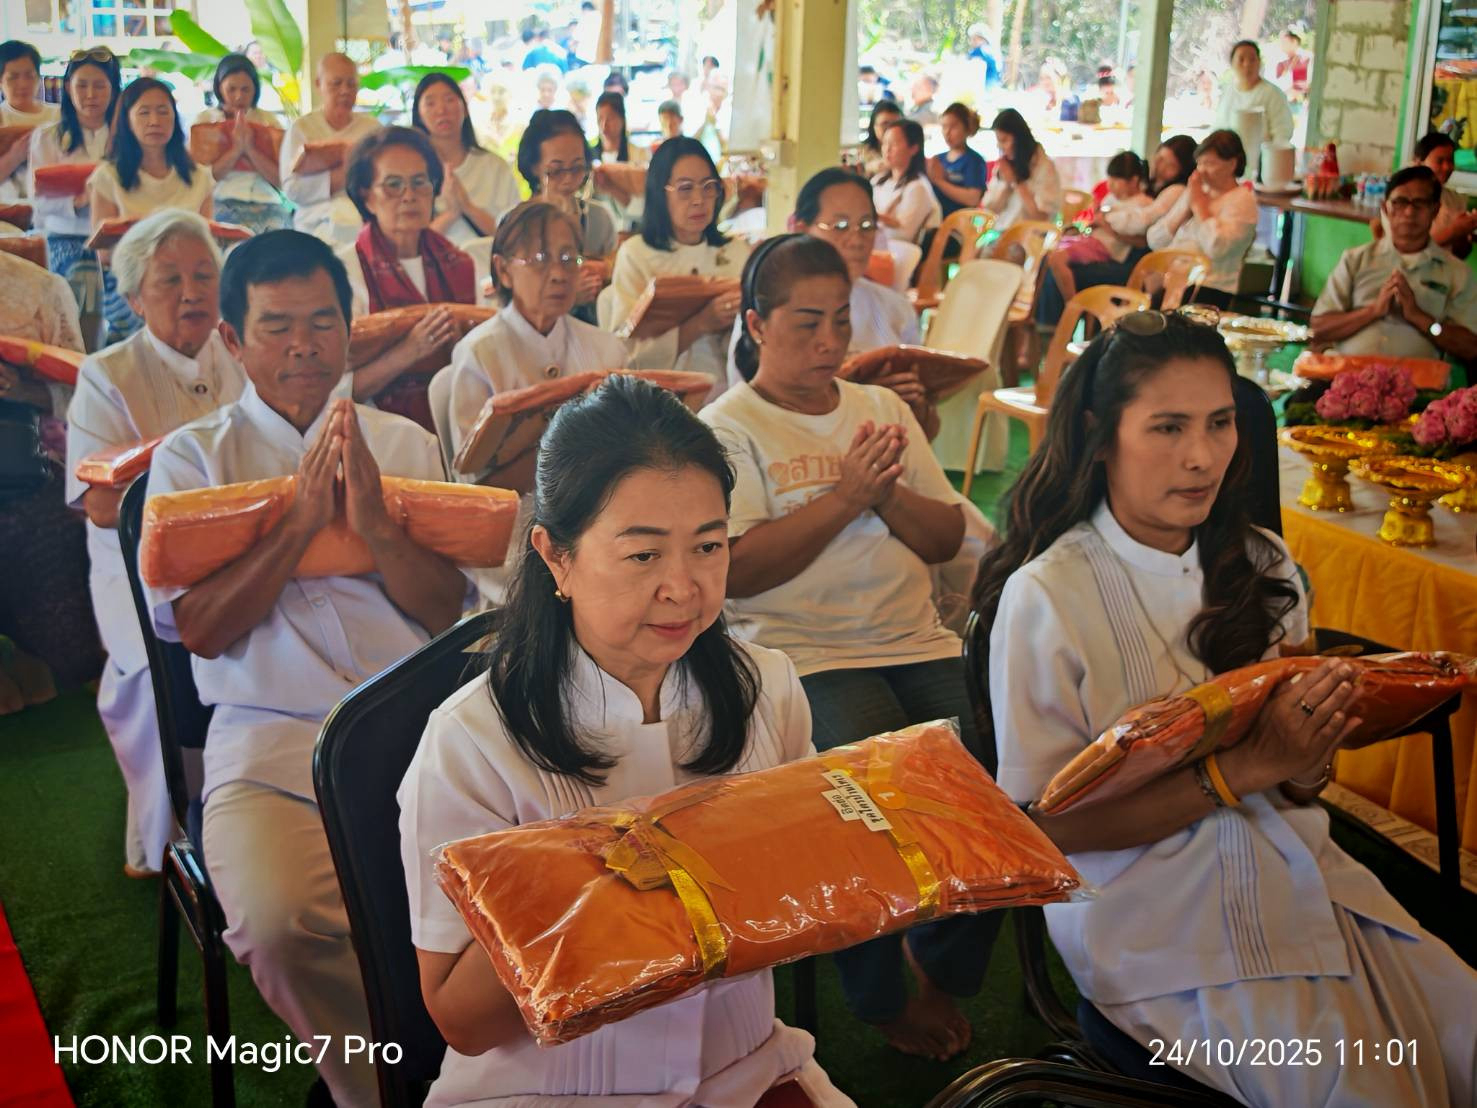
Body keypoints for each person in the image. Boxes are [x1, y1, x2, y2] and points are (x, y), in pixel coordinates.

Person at [976, 311, 1477, 1107]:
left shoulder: (1261, 562)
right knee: (1373, 1095)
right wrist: (1246, 767)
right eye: (1167, 427)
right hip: (1155, 930)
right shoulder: (1049, 596)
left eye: (1219, 424)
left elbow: (1300, 787)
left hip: (1303, 878)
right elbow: (1044, 830)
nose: (1201, 456)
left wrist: (1312, 742)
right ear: (1100, 435)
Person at [400, 375, 854, 1105]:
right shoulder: (471, 743)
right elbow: (461, 1020)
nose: (683, 586)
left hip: (741, 1064)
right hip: (553, 1087)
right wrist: (600, 880)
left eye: (708, 545)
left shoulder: (767, 689)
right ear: (556, 556)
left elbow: (797, 912)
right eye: (643, 556)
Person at [141, 230, 466, 1107]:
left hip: (414, 722)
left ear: (348, 329)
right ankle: (385, 1086)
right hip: (268, 731)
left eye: (322, 323)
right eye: (276, 326)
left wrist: (377, 524)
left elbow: (446, 611)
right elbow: (198, 632)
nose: (302, 346)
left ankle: (469, 1067)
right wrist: (295, 527)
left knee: (496, 897)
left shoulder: (402, 444)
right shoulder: (191, 462)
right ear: (235, 342)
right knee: (281, 924)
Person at [702, 234, 995, 1061]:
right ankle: (873, 995)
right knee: (872, 802)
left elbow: (942, 538)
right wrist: (844, 496)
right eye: (807, 324)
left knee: (998, 783)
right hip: (805, 653)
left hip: (911, 637)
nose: (830, 343)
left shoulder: (881, 411)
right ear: (756, 324)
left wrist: (882, 491)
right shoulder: (727, 429)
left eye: (840, 321)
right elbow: (740, 571)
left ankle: (942, 961)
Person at [64, 210, 245, 880]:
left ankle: (246, 807)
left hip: (245, 556)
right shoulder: (108, 374)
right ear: (136, 297)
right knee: (153, 671)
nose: (191, 291)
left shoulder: (244, 355)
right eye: (170, 280)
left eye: (204, 275)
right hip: (141, 572)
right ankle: (166, 828)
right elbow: (101, 502)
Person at [445, 200, 628, 605]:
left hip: (601, 523)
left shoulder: (606, 348)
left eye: (569, 258)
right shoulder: (480, 354)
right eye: (541, 258)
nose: (560, 272)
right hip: (516, 538)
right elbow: (477, 487)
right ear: (504, 269)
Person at [0, 246, 99, 714]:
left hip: (29, 463)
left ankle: (35, 654)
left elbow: (83, 394)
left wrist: (19, 388)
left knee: (53, 526)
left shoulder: (40, 287)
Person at [337, 126, 478, 431]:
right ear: (367, 196)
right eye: (393, 185)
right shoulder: (346, 271)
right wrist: (409, 351)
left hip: (459, 422)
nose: (409, 196)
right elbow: (339, 390)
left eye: (419, 183)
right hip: (376, 432)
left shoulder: (460, 263)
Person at [725, 168, 918, 386]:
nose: (856, 241)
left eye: (866, 225)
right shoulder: (770, 307)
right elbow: (749, 400)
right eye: (840, 226)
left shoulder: (896, 308)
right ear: (800, 229)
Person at [606, 136, 748, 387]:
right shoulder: (637, 254)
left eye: (708, 187)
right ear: (660, 194)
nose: (698, 199)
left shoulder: (736, 252)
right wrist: (701, 323)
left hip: (730, 389)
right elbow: (625, 355)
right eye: (685, 188)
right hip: (662, 396)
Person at [1312, 165, 1477, 362]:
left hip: (1418, 386)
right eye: (1399, 202)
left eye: (1420, 203)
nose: (1409, 212)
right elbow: (1319, 329)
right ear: (1385, 208)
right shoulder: (1355, 260)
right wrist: (1372, 311)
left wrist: (1420, 318)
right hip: (1345, 380)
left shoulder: (1457, 273)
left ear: (1435, 210)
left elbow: (1471, 347)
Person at [1037, 134, 1197, 325]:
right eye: (1159, 158)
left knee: (1059, 266)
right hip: (1117, 250)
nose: (1159, 166)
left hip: (1133, 260)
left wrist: (1106, 221)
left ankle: (1064, 321)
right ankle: (1053, 326)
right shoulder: (1141, 190)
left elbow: (1144, 228)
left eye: (1168, 164)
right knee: (1048, 261)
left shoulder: (1172, 192)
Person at [27, 47, 120, 289]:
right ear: (68, 88)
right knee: (82, 281)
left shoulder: (127, 137)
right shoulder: (47, 137)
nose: (90, 94)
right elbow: (36, 199)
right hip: (67, 235)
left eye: (100, 86)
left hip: (117, 236)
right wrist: (77, 202)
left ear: (113, 88)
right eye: (82, 86)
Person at [1146, 129, 1256, 310]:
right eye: (1200, 164)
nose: (1202, 171)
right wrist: (1183, 212)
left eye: (1210, 163)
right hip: (1172, 282)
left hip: (1209, 289)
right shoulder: (1197, 191)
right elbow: (1155, 241)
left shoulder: (1242, 200)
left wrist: (1200, 209)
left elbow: (1217, 248)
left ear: (1232, 164)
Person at [280, 53, 381, 245]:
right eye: (336, 83)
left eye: (351, 84)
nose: (345, 91)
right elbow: (292, 189)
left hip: (364, 222)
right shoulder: (302, 128)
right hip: (314, 222)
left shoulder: (372, 130)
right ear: (319, 84)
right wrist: (347, 173)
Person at [412, 72, 519, 247]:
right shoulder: (413, 172)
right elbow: (410, 245)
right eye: (430, 103)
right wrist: (451, 214)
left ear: (465, 108)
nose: (441, 110)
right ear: (419, 115)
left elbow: (515, 237)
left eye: (449, 100)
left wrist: (468, 207)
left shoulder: (494, 166)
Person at [89, 77, 213, 225]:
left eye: (163, 112)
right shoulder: (107, 177)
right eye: (144, 112)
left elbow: (207, 241)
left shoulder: (200, 178)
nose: (154, 121)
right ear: (128, 121)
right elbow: (105, 246)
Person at [194, 54, 289, 235]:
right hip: (222, 198)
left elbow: (280, 180)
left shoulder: (269, 122)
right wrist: (237, 149)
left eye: (246, 90)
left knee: (282, 243)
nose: (239, 96)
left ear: (255, 90)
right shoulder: (204, 122)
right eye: (232, 89)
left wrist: (251, 149)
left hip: (266, 199)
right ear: (219, 88)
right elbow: (204, 179)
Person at [1046, 151, 1151, 306]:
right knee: (1050, 256)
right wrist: (1093, 222)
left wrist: (1106, 226)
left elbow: (1140, 240)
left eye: (1116, 180)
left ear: (1134, 181)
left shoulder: (1143, 205)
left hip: (1104, 248)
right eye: (1109, 179)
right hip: (1091, 241)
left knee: (1056, 259)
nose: (1110, 185)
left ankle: (1073, 307)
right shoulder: (1111, 198)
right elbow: (1096, 222)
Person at [981, 109, 1062, 233]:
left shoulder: (1044, 167)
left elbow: (1041, 217)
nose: (1000, 147)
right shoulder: (1005, 165)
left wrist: (1016, 182)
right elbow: (990, 209)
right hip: (1000, 232)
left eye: (1004, 140)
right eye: (998, 141)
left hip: (1030, 239)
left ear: (1019, 139)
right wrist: (1007, 185)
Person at [0, 40, 59, 200]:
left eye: (29, 76)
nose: (23, 84)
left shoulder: (58, 115)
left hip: (52, 201)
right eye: (13, 77)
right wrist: (15, 155)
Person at [1214, 40, 1294, 157]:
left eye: (1252, 59)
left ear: (1259, 62)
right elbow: (1219, 126)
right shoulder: (1228, 92)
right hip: (1229, 159)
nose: (1247, 64)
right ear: (1232, 63)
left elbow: (1282, 132)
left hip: (1262, 159)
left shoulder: (1272, 93)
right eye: (1241, 60)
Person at [872, 119, 941, 246]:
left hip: (902, 253)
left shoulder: (917, 187)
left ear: (913, 148)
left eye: (894, 144)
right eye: (885, 143)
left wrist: (873, 217)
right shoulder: (878, 181)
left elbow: (904, 236)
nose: (887, 149)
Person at [1412, 132, 1477, 258]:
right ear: (1418, 162)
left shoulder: (1456, 200)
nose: (1447, 167)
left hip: (1444, 274)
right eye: (1440, 161)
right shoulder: (1403, 198)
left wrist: (1464, 232)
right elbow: (1409, 249)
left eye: (1450, 160)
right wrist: (1454, 230)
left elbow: (1460, 254)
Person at [591, 90, 648, 231]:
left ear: (622, 119)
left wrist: (611, 188)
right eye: (600, 119)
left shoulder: (640, 155)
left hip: (631, 232)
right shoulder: (589, 157)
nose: (604, 125)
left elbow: (645, 208)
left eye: (610, 118)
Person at [926, 102, 988, 218]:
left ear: (967, 128)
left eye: (953, 126)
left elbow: (972, 199)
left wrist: (940, 181)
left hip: (959, 226)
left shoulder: (974, 160)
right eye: (944, 127)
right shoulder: (938, 159)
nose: (947, 132)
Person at [859, 100, 904, 179]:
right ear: (874, 126)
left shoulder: (909, 151)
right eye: (885, 124)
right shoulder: (861, 152)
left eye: (896, 124)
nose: (890, 128)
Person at [1274, 27, 1312, 103]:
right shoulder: (1280, 63)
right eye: (1281, 42)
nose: (1282, 45)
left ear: (1294, 42)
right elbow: (1278, 86)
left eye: (1285, 42)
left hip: (1301, 101)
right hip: (1284, 100)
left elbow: (1304, 84)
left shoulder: (1305, 59)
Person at [966, 24, 1002, 90]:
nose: (972, 42)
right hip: (995, 86)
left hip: (985, 87)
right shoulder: (993, 51)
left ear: (983, 39)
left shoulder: (979, 51)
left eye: (974, 39)